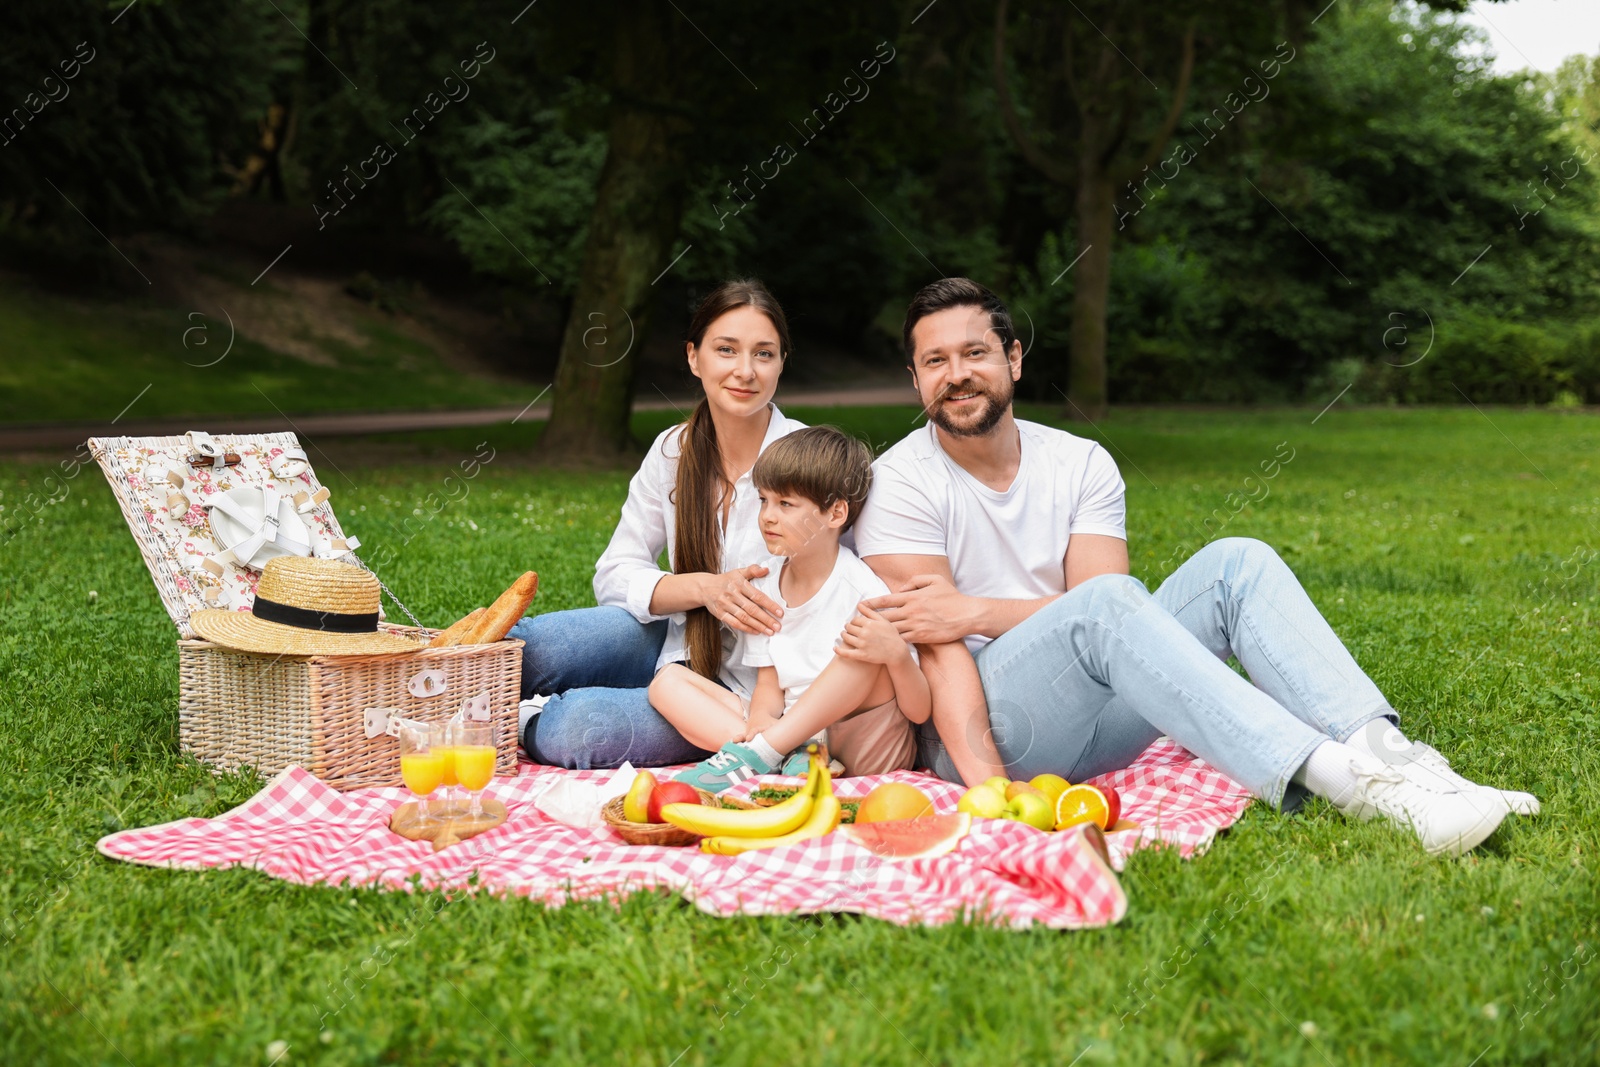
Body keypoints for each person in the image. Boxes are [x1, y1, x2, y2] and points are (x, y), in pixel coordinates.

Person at [852, 277, 1538, 856]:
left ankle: (1396, 760)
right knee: (1107, 604)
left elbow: (1092, 606)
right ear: (916, 380)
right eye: (935, 361)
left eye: (975, 352)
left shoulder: (1080, 461)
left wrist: (978, 610)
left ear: (1014, 359)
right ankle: (1354, 786)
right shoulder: (900, 481)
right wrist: (991, 789)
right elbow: (943, 647)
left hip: (1096, 715)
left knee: (1237, 562)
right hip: (978, 732)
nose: (957, 374)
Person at [509, 279, 805, 769]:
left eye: (764, 354)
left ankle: (520, 718)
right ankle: (422, 699)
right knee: (533, 649)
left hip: (746, 694)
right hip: (675, 641)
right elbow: (614, 572)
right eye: (726, 350)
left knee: (579, 729)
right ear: (694, 358)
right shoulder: (675, 450)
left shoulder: (809, 461)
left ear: (781, 362)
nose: (745, 371)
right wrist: (704, 589)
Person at [652, 426, 930, 791]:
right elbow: (769, 687)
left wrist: (897, 656)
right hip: (794, 742)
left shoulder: (862, 590)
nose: (767, 516)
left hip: (860, 744)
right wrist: (762, 719)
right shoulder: (767, 585)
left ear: (835, 514)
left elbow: (919, 711)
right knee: (666, 682)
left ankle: (762, 753)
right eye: (764, 500)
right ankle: (773, 753)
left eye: (785, 504)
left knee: (862, 646)